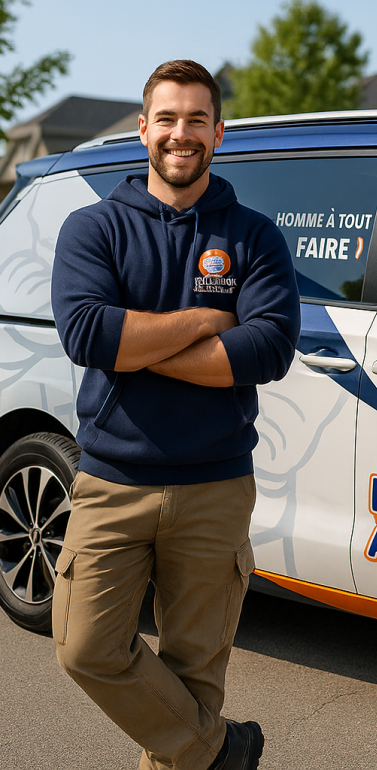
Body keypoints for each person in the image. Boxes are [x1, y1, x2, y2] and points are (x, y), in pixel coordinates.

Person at [50, 60, 300, 770]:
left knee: (193, 678)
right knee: (84, 647)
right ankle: (223, 751)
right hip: (112, 481)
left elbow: (266, 349)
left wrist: (136, 344)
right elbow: (88, 335)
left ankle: (201, 749)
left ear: (218, 133)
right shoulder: (93, 228)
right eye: (166, 118)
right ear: (143, 129)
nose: (180, 133)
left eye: (196, 119)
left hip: (214, 485)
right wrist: (205, 320)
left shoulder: (253, 236)